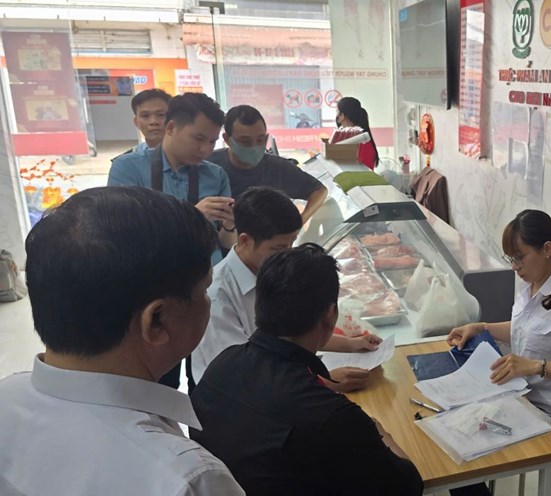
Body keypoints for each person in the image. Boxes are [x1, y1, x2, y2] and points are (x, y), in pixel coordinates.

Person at [0, 187, 244, 496]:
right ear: (156, 321)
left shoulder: (6, 398)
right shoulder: (187, 479)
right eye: (206, 289)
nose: (210, 301)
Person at [190, 244, 424, 496]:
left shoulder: (221, 365)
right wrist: (379, 430)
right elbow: (408, 486)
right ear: (329, 315)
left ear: (260, 304)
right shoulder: (333, 417)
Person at [447, 210, 551, 495]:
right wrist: (481, 326)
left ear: (547, 249)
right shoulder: (529, 287)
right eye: (510, 258)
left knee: (464, 462)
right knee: (452, 437)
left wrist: (536, 367)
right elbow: (525, 330)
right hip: (521, 398)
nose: (514, 266)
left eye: (519, 257)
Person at [191, 186, 382, 391]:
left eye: (292, 243)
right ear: (245, 241)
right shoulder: (218, 297)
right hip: (235, 404)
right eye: (279, 248)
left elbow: (295, 333)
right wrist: (324, 383)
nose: (287, 254)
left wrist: (351, 344)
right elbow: (243, 375)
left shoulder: (273, 274)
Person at [108, 92, 235, 390]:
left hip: (204, 290)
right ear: (171, 128)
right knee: (154, 381)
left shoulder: (214, 175)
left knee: (208, 379)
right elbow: (122, 234)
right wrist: (192, 215)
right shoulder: (128, 169)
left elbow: (225, 241)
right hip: (152, 294)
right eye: (198, 138)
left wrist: (233, 225)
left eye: (212, 142)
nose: (205, 149)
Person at [206, 105, 327, 223]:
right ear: (227, 139)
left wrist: (300, 222)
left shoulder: (278, 167)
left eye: (260, 140)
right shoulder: (208, 168)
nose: (254, 147)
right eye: (246, 141)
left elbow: (319, 191)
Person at [113, 88, 172, 160]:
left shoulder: (187, 156)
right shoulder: (127, 162)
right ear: (136, 122)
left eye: (161, 114)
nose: (154, 122)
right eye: (145, 116)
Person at [336, 96, 379, 170]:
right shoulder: (351, 139)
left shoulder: (362, 142)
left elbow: (362, 175)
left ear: (342, 116)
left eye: (337, 111)